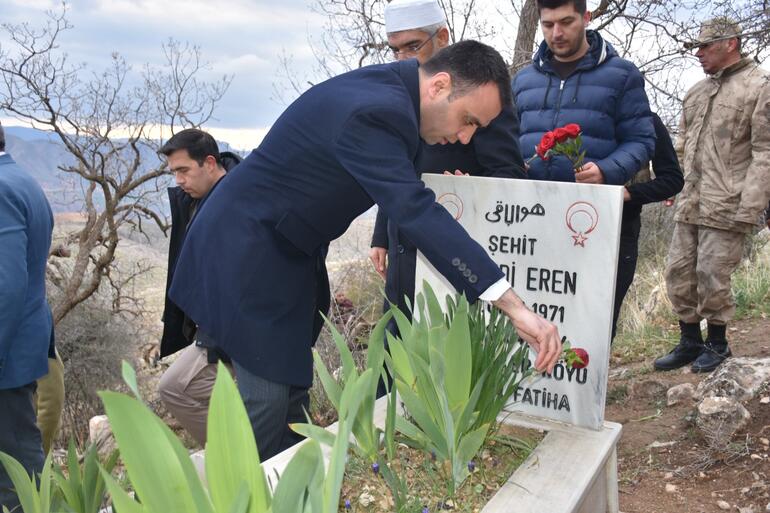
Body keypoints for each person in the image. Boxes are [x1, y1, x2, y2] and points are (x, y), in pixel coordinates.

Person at [169, 41, 563, 461]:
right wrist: (513, 305)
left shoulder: (394, 98)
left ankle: (292, 493)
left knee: (290, 402)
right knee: (266, 403)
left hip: (286, 254)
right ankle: (244, 495)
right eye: (467, 120)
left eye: (476, 130)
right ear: (440, 85)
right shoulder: (377, 112)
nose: (464, 136)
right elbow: (414, 210)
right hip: (245, 255)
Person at [369, 0, 526, 382]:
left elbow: (507, 173)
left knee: (438, 353)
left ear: (442, 37)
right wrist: (381, 234)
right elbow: (394, 173)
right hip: (403, 240)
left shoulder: (482, 95)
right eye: (395, 49)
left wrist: (469, 190)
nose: (403, 57)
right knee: (397, 339)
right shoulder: (400, 96)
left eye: (412, 46)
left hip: (453, 245)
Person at [511, 0, 657, 339]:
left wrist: (607, 170)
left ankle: (590, 391)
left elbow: (642, 140)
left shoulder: (622, 75)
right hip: (532, 220)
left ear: (586, 18)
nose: (556, 33)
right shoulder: (523, 80)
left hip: (598, 220)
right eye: (548, 25)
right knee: (534, 311)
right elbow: (508, 139)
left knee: (594, 316)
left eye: (566, 22)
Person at [655, 18, 770, 373]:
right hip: (691, 201)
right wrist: (676, 186)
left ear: (731, 43)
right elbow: (682, 145)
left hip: (729, 202)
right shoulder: (696, 92)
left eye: (705, 46)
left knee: (712, 274)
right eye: (697, 48)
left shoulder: (759, 87)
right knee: (678, 271)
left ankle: (718, 344)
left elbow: (765, 152)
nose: (699, 54)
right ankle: (689, 340)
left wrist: (750, 205)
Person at [157, 128, 241, 446]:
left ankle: (235, 456)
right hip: (209, 331)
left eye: (183, 170)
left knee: (175, 387)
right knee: (175, 387)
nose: (178, 180)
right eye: (174, 172)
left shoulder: (237, 201)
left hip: (232, 338)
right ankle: (236, 451)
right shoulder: (196, 200)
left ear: (208, 163)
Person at [0, 121, 54, 510]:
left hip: (8, 352)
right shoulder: (20, 178)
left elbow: (5, 286)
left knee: (17, 470)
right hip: (22, 341)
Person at [613, 114, 683, 338]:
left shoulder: (647, 121)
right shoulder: (570, 113)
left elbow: (672, 179)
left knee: (606, 315)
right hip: (563, 228)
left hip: (622, 229)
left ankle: (596, 370)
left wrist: (629, 194)